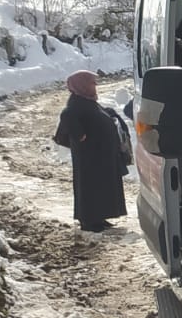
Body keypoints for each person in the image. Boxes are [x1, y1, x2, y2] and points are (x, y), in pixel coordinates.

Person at [53, 70, 128, 234]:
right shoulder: (76, 103)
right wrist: (80, 135)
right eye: (92, 82)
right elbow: (67, 115)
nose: (95, 85)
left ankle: (99, 217)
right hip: (89, 157)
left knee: (101, 186)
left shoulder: (86, 100)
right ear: (82, 85)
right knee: (90, 187)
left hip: (98, 155)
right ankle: (89, 220)